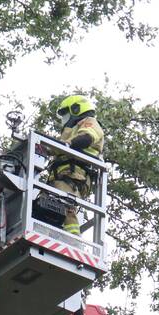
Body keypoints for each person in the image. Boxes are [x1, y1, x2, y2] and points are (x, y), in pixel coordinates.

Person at [49, 95, 104, 236]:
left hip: (75, 177)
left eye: (66, 113)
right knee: (45, 206)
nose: (64, 118)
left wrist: (69, 143)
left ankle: (72, 239)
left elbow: (87, 138)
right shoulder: (70, 131)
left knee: (66, 206)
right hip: (60, 178)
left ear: (76, 109)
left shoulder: (89, 122)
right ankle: (50, 233)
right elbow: (56, 148)